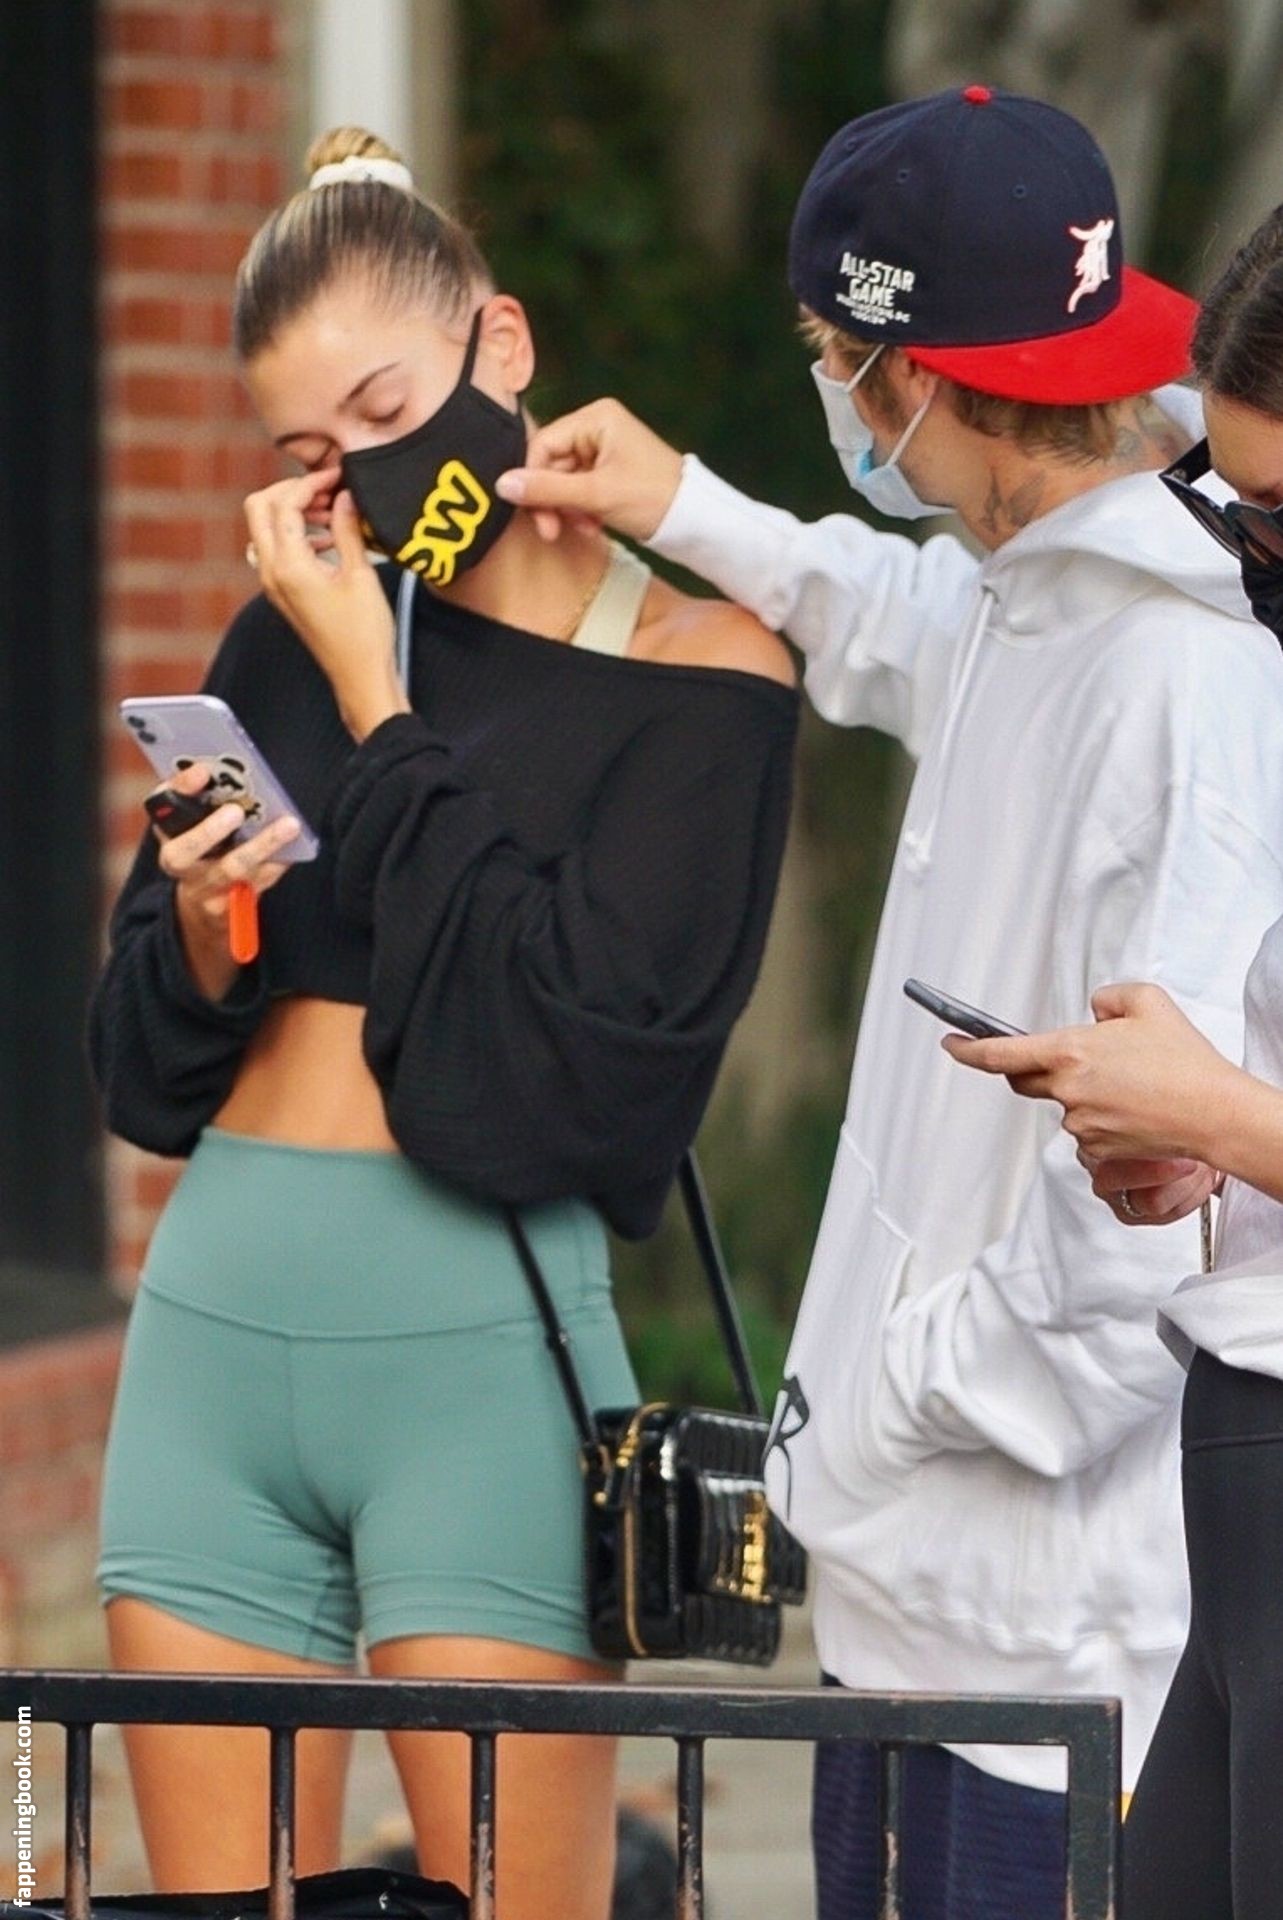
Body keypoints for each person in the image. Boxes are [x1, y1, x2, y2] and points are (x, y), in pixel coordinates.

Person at [493, 88, 1283, 1920]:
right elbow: (897, 619)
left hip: (1039, 1647)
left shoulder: (1183, 675)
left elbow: (1146, 1221)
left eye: (838, 359)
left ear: (922, 376)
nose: (837, 400)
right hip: (920, 1602)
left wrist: (882, 1405)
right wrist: (688, 508)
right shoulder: (1040, 595)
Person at [88, 127, 797, 1920]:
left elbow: (577, 1078)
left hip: (482, 1365)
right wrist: (207, 928)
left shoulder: (706, 677)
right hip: (213, 1338)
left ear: (504, 344)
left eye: (385, 413)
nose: (354, 482)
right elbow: (141, 1073)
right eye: (305, 456)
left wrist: (377, 702)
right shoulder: (282, 637)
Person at [944, 197, 1283, 1920]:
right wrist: (1200, 1142)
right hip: (1246, 1442)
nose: (1254, 556)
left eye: (1282, 513)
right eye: (1235, 506)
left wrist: (1216, 1109)